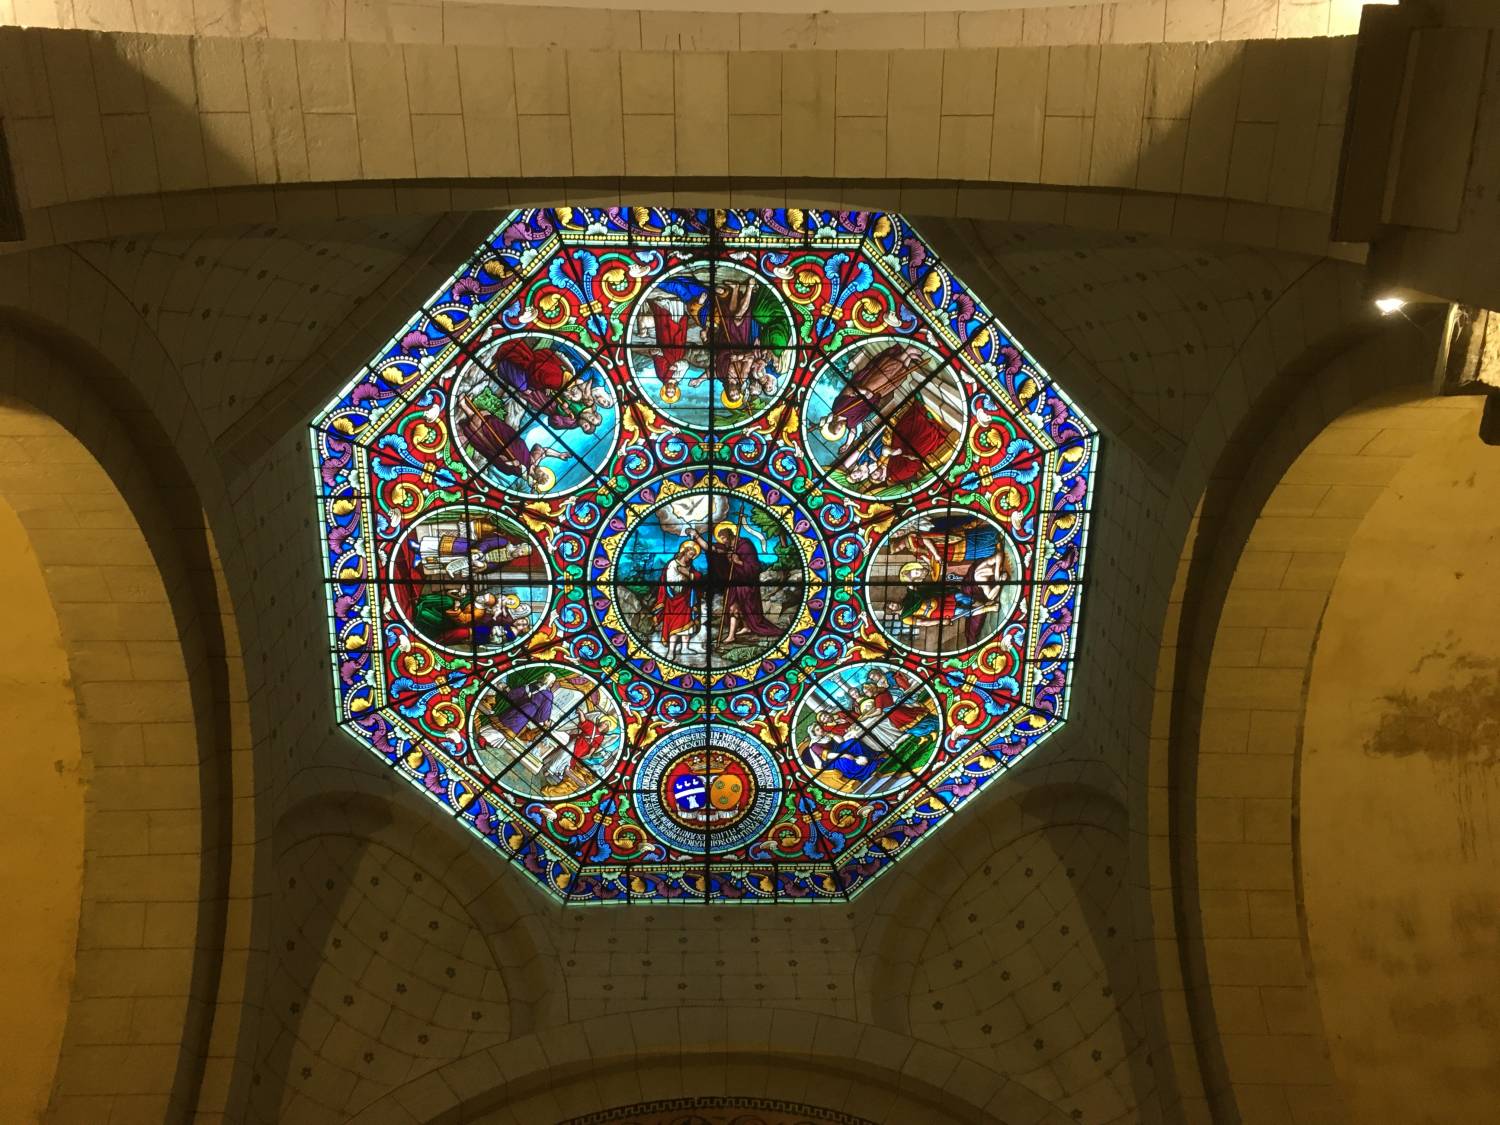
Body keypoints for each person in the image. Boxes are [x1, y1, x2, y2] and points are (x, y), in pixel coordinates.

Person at [691, 520, 781, 648]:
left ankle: (738, 632)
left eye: (724, 537)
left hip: (746, 583)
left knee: (739, 607)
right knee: (733, 607)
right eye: (720, 538)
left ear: (730, 534)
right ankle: (739, 631)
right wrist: (696, 536)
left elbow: (755, 567)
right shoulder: (727, 548)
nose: (722, 540)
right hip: (734, 583)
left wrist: (738, 562)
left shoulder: (745, 545)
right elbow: (710, 548)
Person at [653, 540, 701, 662]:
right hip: (674, 599)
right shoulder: (673, 564)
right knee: (674, 625)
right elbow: (670, 580)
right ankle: (671, 651)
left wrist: (689, 574)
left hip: (687, 599)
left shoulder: (689, 566)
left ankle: (685, 648)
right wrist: (683, 577)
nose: (692, 557)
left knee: (688, 624)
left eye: (694, 555)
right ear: (685, 551)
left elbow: (697, 576)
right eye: (691, 554)